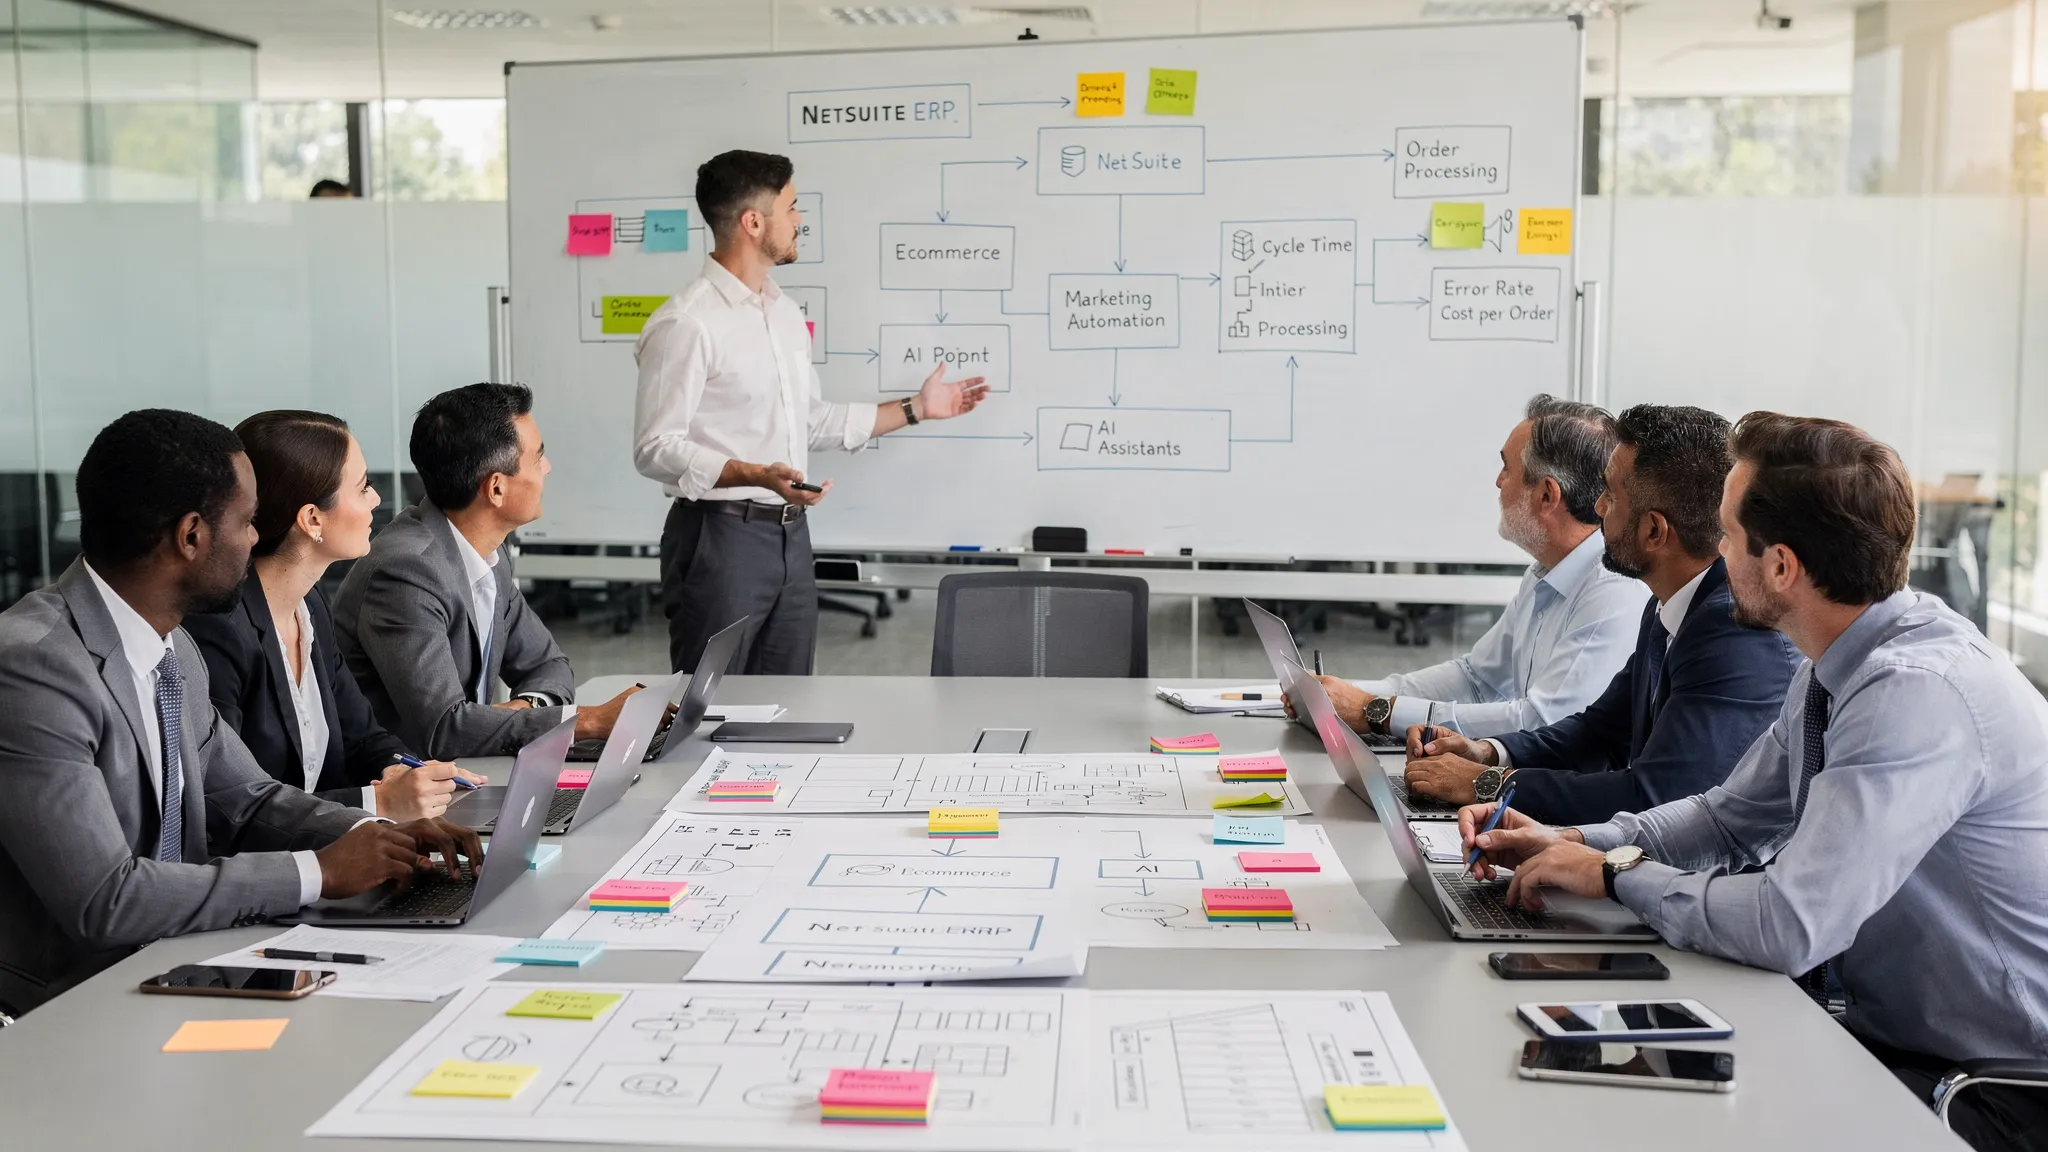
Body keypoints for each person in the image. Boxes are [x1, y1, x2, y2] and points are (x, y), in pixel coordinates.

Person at [1463, 413, 2048, 1152]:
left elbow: (1789, 923)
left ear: (1780, 567)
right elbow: (1728, 818)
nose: (1713, 551)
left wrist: (1613, 874)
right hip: (1884, 1037)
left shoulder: (1916, 695)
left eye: (1727, 534)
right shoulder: (1836, 664)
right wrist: (1574, 841)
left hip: (1993, 1091)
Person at [0, 410, 481, 1016]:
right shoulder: (34, 668)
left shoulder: (172, 648)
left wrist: (375, 836)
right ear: (193, 535)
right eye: (248, 522)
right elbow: (106, 899)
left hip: (182, 959)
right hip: (73, 1005)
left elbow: (249, 797)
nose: (258, 539)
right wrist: (316, 873)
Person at [634, 149, 993, 675]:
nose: (800, 220)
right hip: (720, 539)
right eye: (792, 208)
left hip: (790, 537)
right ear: (753, 222)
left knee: (787, 705)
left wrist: (917, 409)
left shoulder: (781, 312)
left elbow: (810, 421)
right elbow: (655, 448)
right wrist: (754, 473)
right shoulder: (687, 323)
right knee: (708, 712)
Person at [1405, 404, 1800, 825]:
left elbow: (1652, 796)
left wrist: (1488, 783)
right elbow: (1598, 731)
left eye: (1610, 494)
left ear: (1654, 531)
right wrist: (1488, 751)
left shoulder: (1734, 634)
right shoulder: (1671, 601)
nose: (1596, 506)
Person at [184, 411, 485, 822]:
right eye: (363, 488)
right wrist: (375, 804)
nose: (377, 500)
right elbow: (233, 804)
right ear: (312, 519)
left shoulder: (309, 606)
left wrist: (406, 774)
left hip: (333, 849)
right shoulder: (219, 630)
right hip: (277, 871)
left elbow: (363, 735)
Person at [1296, 394, 1645, 740]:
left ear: (1546, 496)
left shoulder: (1612, 592)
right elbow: (1476, 678)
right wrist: (1353, 694)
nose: (1498, 481)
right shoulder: (1545, 572)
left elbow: (1541, 722)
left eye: (1507, 468)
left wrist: (1376, 711)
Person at [334, 384, 637, 759]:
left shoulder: (488, 553)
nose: (547, 468)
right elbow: (446, 731)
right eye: (537, 459)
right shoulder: (405, 572)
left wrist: (519, 713)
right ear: (496, 488)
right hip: (406, 794)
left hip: (472, 772)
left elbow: (548, 664)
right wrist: (587, 722)